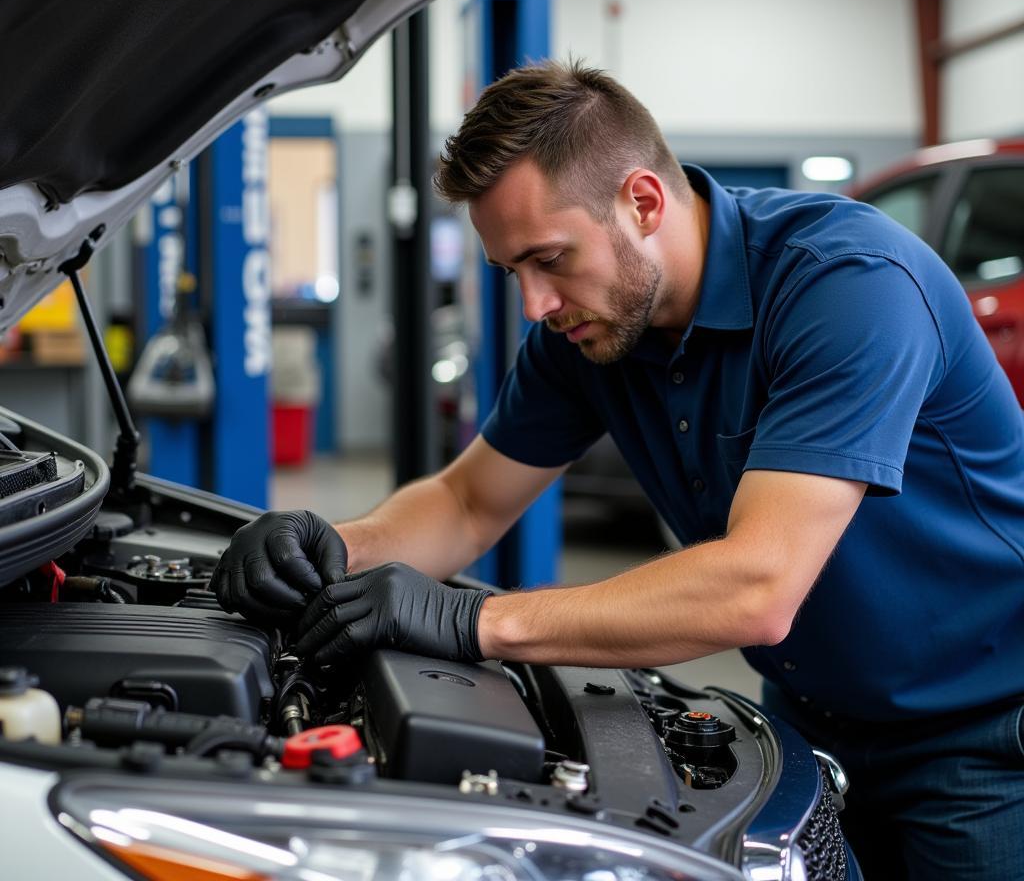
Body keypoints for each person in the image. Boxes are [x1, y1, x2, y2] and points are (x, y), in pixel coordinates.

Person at [213, 60, 1024, 877]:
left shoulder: (845, 285)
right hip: (810, 720)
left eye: (550, 259)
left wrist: (477, 622)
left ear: (642, 201)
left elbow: (759, 586)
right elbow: (467, 503)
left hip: (978, 734)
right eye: (512, 273)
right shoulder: (588, 335)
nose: (534, 305)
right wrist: (328, 548)